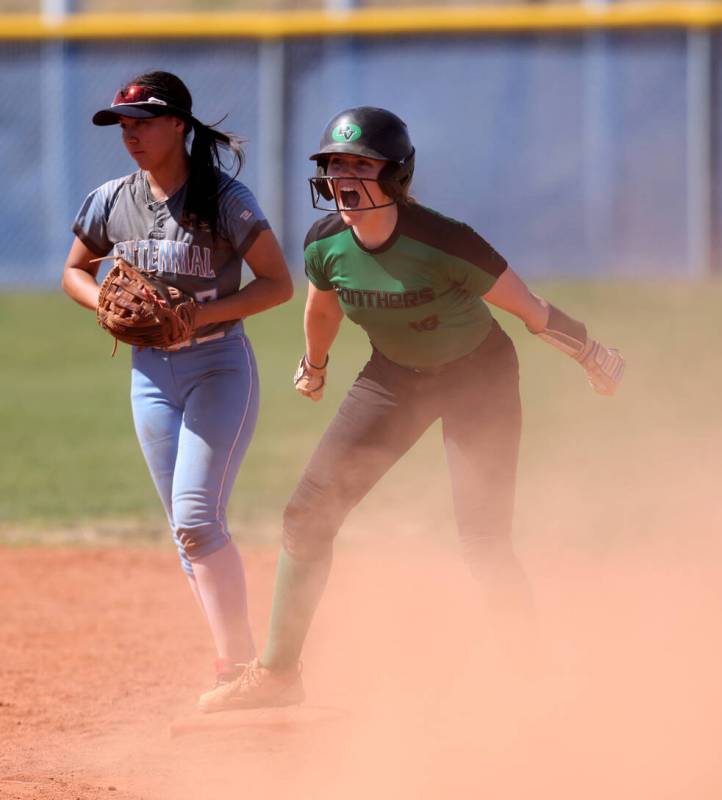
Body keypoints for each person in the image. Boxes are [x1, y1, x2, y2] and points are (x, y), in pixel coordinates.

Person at [197, 106, 623, 712]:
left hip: (480, 378)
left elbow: (530, 311)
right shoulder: (326, 243)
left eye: (360, 164)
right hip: (394, 379)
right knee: (307, 517)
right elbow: (322, 310)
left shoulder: (444, 241)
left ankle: (535, 677)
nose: (342, 176)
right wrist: (314, 364)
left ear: (396, 175)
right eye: (333, 164)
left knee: (482, 538)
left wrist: (591, 353)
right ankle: (278, 675)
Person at [61, 71, 293, 690]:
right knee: (186, 529)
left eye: (143, 123)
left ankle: (241, 669)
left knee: (194, 516)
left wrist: (200, 313)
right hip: (150, 378)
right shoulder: (112, 198)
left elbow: (278, 284)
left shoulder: (225, 199)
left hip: (218, 366)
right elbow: (75, 271)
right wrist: (103, 304)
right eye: (123, 125)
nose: (130, 135)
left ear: (179, 127)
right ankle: (237, 666)